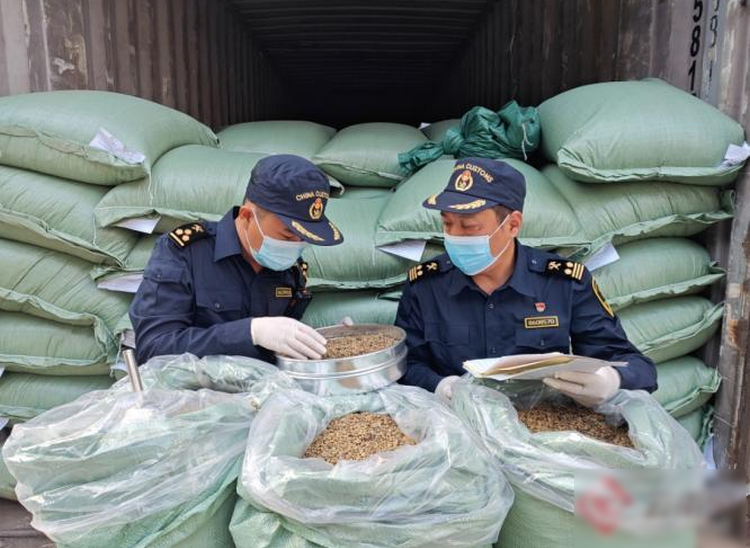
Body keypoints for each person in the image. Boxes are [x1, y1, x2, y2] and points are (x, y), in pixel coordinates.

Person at [395, 157, 657, 406]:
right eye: (447, 224)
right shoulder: (425, 285)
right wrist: (439, 386)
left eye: (469, 226)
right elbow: (406, 364)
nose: (454, 236)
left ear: (512, 225)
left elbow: (636, 365)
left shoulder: (563, 283)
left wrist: (611, 379)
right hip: (457, 422)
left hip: (543, 422)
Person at [129, 154, 344, 365]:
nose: (295, 245)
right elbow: (153, 348)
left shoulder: (290, 269)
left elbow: (282, 347)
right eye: (287, 235)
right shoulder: (185, 253)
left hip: (264, 386)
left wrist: (328, 343)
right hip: (192, 387)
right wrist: (249, 332)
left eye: (304, 238)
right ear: (247, 216)